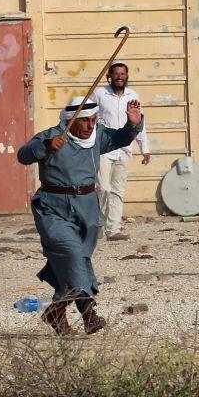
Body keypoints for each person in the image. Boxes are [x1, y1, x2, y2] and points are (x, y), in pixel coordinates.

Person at [17, 95, 144, 335]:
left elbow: (121, 137)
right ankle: (89, 314)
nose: (90, 126)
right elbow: (24, 155)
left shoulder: (97, 137)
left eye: (94, 120)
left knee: (75, 259)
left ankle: (56, 312)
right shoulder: (52, 136)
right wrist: (44, 147)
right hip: (53, 207)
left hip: (87, 206)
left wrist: (133, 124)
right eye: (85, 121)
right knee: (73, 254)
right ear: (71, 121)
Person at [90, 61, 150, 241]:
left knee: (117, 190)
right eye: (116, 73)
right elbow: (88, 116)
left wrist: (144, 148)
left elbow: (139, 123)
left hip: (124, 148)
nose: (119, 77)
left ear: (127, 76)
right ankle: (96, 226)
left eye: (123, 74)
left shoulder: (132, 96)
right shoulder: (100, 94)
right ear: (109, 76)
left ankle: (113, 230)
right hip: (104, 148)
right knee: (103, 188)